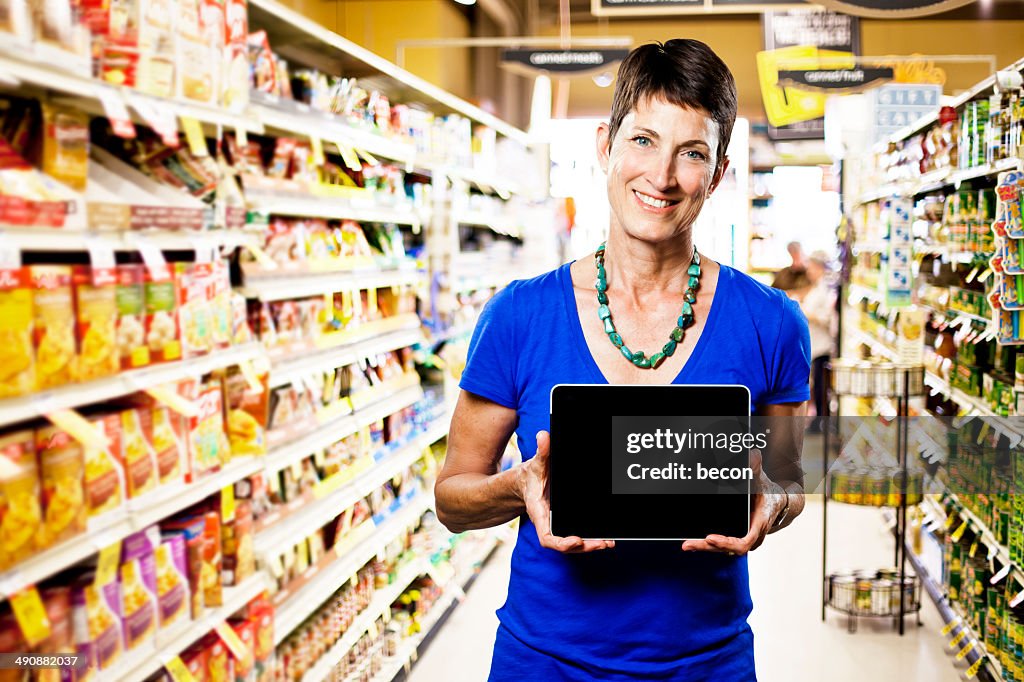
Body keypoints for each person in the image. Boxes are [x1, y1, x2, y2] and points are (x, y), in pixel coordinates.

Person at [434, 39, 810, 681]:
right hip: (545, 663)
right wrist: (519, 487)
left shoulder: (771, 322)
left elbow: (788, 478)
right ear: (605, 145)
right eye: (643, 140)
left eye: (691, 152)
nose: (661, 176)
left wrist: (769, 501)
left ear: (718, 173)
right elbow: (452, 498)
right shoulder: (519, 316)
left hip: (706, 664)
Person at [796, 252, 835, 431]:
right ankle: (817, 420)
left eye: (811, 267)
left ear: (819, 267)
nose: (808, 271)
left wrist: (804, 312)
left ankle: (821, 422)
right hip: (814, 345)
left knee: (820, 387)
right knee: (816, 386)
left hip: (822, 347)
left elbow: (826, 317)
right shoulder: (816, 287)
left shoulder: (826, 289)